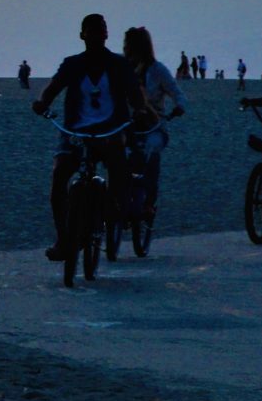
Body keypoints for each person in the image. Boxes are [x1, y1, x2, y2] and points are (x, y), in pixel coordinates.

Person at [32, 14, 149, 261]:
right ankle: (64, 238)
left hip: (110, 131)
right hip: (75, 132)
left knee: (120, 175)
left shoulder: (118, 65)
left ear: (106, 35)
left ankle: (108, 217)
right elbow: (53, 88)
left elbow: (135, 94)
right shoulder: (72, 64)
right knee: (58, 181)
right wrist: (42, 103)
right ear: (82, 35)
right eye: (91, 31)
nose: (95, 36)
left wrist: (139, 111)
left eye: (100, 31)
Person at [122, 26, 185, 223]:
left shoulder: (157, 70)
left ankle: (149, 203)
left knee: (152, 153)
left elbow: (177, 92)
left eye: (128, 45)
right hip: (126, 125)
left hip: (154, 125)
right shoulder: (122, 69)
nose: (125, 49)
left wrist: (179, 106)